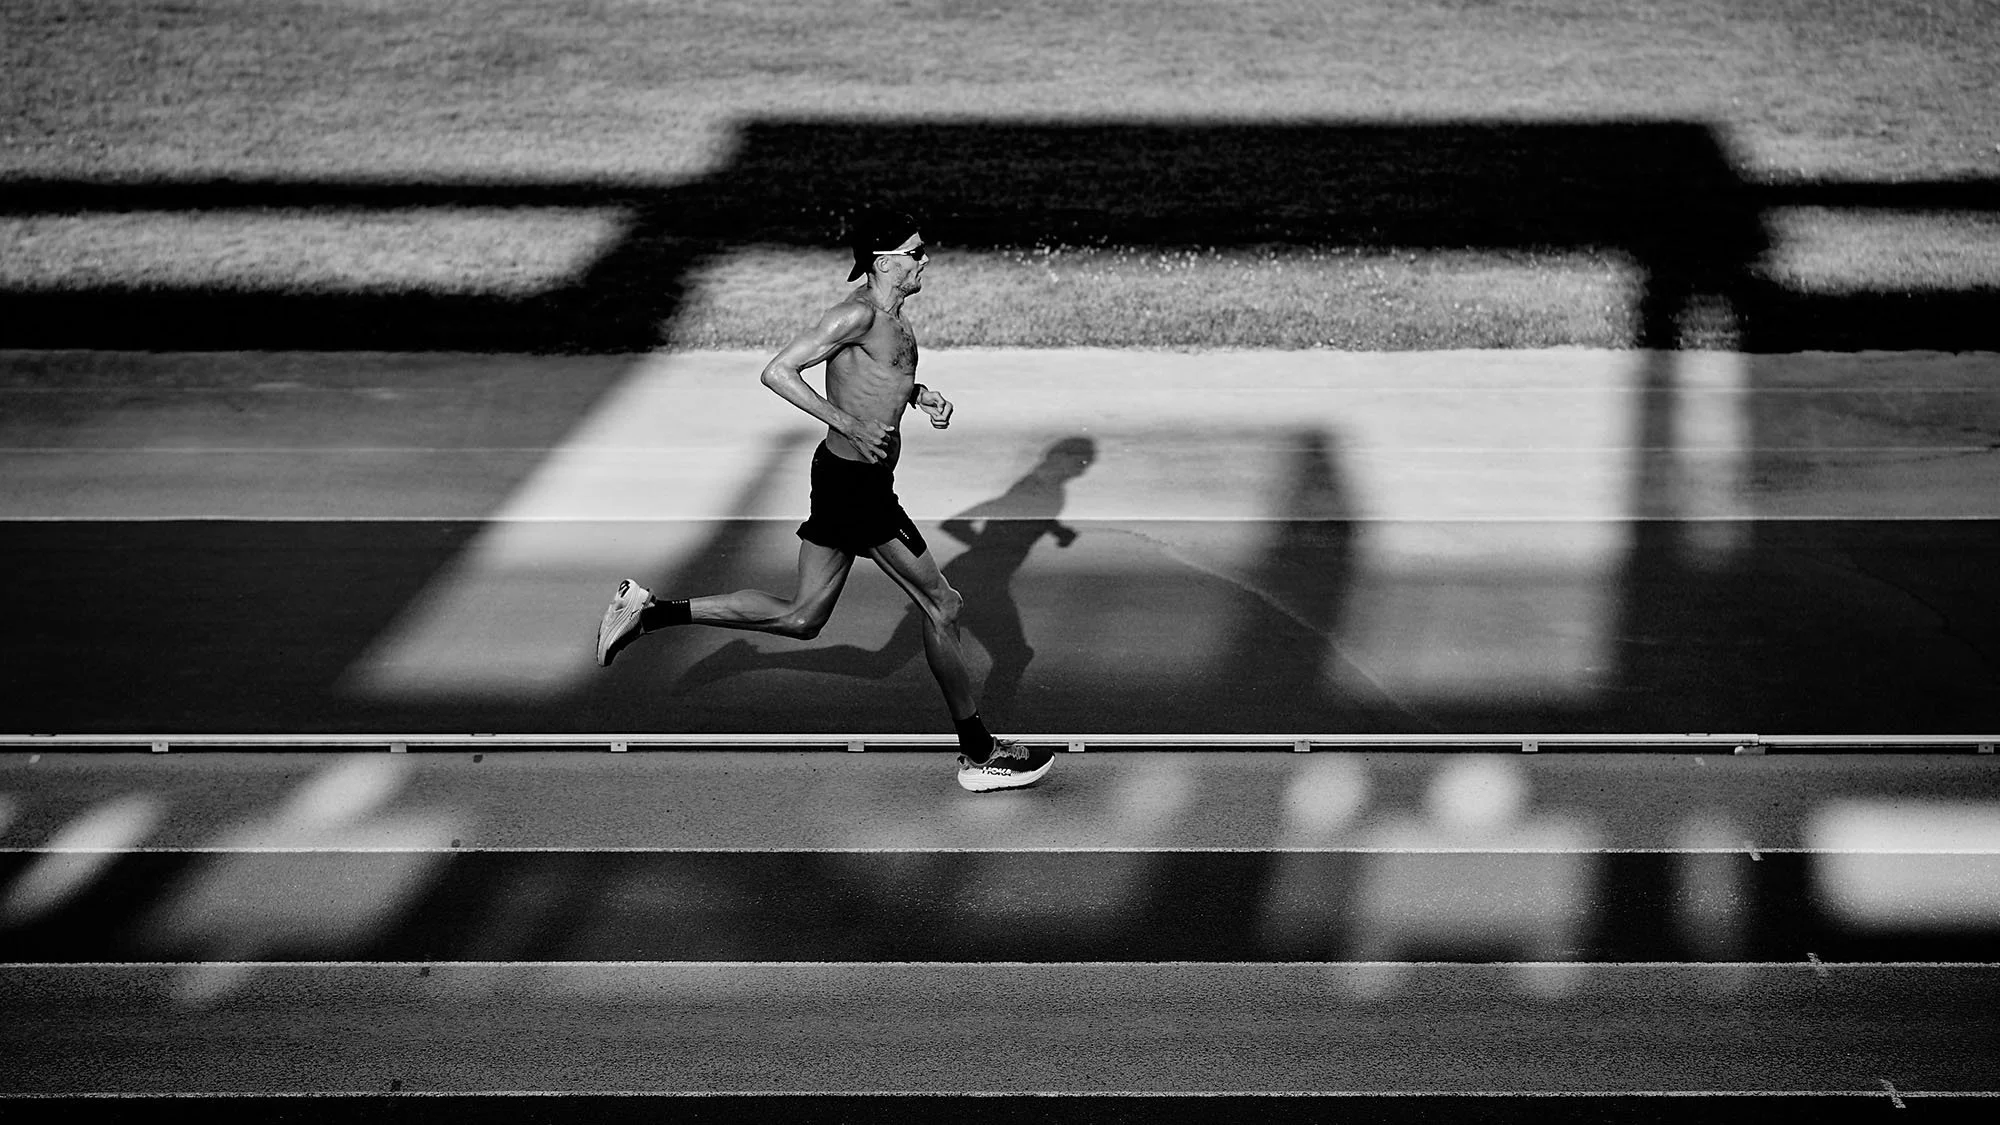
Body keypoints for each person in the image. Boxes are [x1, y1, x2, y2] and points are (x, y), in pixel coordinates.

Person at [594, 216, 1056, 793]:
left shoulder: (893, 320)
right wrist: (850, 426)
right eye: (915, 254)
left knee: (802, 617)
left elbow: (874, 377)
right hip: (856, 486)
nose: (925, 261)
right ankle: (979, 752)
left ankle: (649, 611)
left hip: (848, 480)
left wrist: (918, 394)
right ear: (884, 262)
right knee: (943, 606)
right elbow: (777, 372)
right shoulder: (855, 314)